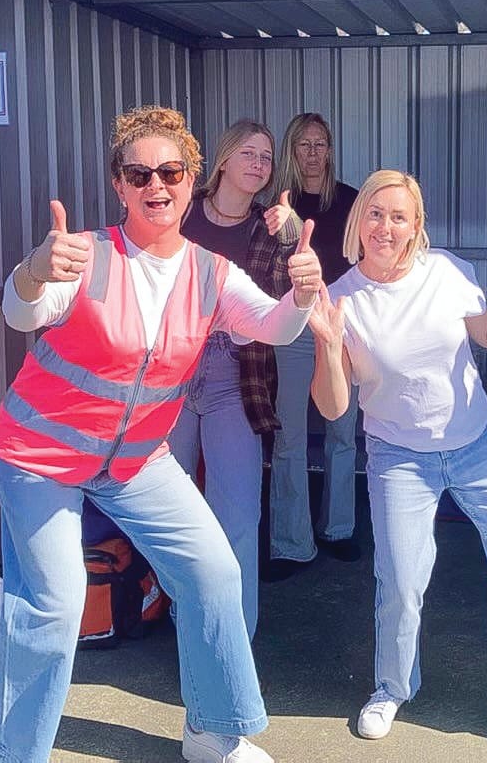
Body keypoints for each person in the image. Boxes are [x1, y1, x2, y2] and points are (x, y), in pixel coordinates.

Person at [0, 105, 324, 763]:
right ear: (119, 184)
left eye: (169, 171)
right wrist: (34, 266)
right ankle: (7, 749)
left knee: (216, 573)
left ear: (192, 178)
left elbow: (274, 326)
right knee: (53, 604)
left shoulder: (210, 272)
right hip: (40, 456)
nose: (155, 185)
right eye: (139, 174)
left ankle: (212, 734)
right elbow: (24, 310)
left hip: (133, 460)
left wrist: (302, 295)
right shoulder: (86, 253)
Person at [306, 169, 487, 760]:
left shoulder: (448, 272)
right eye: (375, 213)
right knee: (401, 583)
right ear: (359, 221)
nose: (386, 226)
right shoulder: (342, 297)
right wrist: (328, 346)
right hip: (398, 457)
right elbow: (333, 404)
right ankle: (392, 686)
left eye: (399, 216)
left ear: (415, 225)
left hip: (476, 444)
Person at [169, 119, 301, 637]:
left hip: (233, 374)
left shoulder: (268, 227)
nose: (258, 163)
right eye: (249, 152)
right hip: (171, 373)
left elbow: (282, 295)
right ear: (223, 159)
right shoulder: (178, 213)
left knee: (238, 510)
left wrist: (289, 233)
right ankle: (184, 617)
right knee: (174, 510)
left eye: (266, 156)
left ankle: (236, 633)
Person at [265, 112, 362, 581]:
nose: (312, 153)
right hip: (294, 326)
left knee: (343, 433)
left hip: (341, 327)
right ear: (291, 149)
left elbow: (366, 264)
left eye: (320, 143)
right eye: (303, 144)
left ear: (330, 149)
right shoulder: (276, 203)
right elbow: (265, 269)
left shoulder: (350, 200)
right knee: (289, 436)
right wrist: (285, 225)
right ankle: (290, 542)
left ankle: (339, 529)